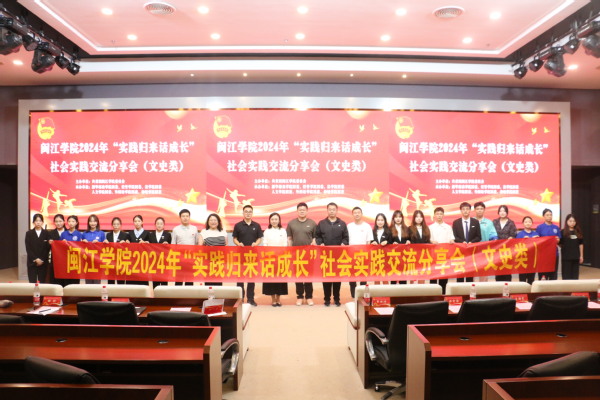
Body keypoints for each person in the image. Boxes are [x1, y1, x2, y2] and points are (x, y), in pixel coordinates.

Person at [315, 202, 349, 307]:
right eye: (330, 209)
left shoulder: (342, 223)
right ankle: (327, 299)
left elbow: (346, 237)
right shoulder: (321, 223)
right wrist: (320, 243)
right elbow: (318, 236)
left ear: (337, 210)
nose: (332, 211)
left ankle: (337, 299)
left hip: (338, 256)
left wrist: (344, 243)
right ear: (327, 210)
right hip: (325, 256)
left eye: (333, 209)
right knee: (326, 278)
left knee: (337, 279)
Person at [286, 202, 317, 306]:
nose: (302, 211)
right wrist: (289, 252)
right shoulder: (291, 223)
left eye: (304, 210)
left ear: (307, 211)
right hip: (296, 255)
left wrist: (314, 244)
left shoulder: (312, 223)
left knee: (308, 276)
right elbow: (289, 239)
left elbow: (315, 238)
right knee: (298, 276)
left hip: (308, 254)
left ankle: (309, 297)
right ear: (297, 211)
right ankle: (299, 296)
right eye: (300, 210)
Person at [232, 205, 263, 306]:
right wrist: (238, 243)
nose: (248, 213)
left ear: (252, 213)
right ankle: (240, 299)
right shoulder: (238, 225)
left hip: (252, 256)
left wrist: (256, 243)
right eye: (246, 211)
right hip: (240, 255)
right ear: (243, 213)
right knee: (240, 278)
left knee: (251, 277)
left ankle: (250, 299)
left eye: (250, 211)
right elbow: (234, 238)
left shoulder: (257, 225)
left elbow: (259, 238)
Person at [262, 212, 288, 306]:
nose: (274, 221)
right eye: (272, 219)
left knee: (280, 279)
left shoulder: (283, 231)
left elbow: (285, 244)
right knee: (271, 279)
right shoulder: (267, 231)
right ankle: (273, 299)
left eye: (276, 219)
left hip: (281, 258)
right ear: (269, 221)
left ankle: (278, 299)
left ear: (279, 220)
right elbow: (265, 244)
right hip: (270, 258)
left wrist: (281, 254)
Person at [347, 207, 374, 297]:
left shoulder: (367, 226)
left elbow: (368, 241)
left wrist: (367, 254)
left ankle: (362, 295)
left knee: (363, 276)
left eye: (358, 212)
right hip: (351, 255)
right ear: (352, 214)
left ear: (361, 214)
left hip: (363, 255)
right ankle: (353, 295)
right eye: (355, 213)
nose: (357, 214)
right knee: (352, 276)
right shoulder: (349, 226)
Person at [452, 202, 481, 282]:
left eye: (467, 209)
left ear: (470, 210)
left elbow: (479, 237)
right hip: (459, 251)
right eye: (463, 209)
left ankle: (469, 288)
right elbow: (454, 237)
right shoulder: (456, 223)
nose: (465, 211)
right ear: (461, 211)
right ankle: (460, 288)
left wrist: (471, 242)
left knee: (470, 273)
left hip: (471, 251)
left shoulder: (475, 222)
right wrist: (462, 242)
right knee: (460, 273)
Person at [171, 209, 201, 285]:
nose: (185, 218)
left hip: (191, 258)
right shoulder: (175, 229)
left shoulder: (194, 228)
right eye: (183, 216)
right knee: (178, 280)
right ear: (180, 217)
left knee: (189, 280)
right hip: (179, 258)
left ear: (189, 217)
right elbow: (173, 244)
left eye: (187, 216)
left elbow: (196, 243)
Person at [428, 207, 455, 292]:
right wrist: (431, 241)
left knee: (443, 275)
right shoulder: (430, 227)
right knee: (434, 276)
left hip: (445, 255)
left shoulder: (448, 227)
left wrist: (452, 240)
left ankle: (443, 293)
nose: (439, 216)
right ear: (434, 215)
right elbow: (428, 239)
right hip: (433, 255)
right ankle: (433, 294)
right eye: (437, 214)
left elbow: (452, 238)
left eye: (441, 214)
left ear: (443, 215)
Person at [200, 213, 227, 286]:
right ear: (208, 222)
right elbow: (200, 247)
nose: (213, 222)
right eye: (211, 220)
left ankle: (218, 293)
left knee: (219, 281)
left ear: (218, 222)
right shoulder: (204, 232)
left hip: (220, 261)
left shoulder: (223, 231)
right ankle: (209, 293)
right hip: (208, 261)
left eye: (215, 220)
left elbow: (226, 245)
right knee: (209, 282)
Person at [493, 205, 517, 282]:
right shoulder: (495, 222)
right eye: (500, 211)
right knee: (498, 269)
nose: (502, 213)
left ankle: (508, 286)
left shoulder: (511, 223)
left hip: (507, 250)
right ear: (498, 212)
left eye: (504, 211)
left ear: (507, 212)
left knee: (507, 269)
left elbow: (514, 234)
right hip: (497, 249)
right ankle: (498, 286)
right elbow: (492, 233)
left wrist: (511, 238)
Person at [535, 208, 561, 280]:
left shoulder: (556, 227)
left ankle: (553, 286)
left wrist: (558, 240)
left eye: (550, 215)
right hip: (543, 254)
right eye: (547, 215)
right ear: (543, 216)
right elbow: (537, 240)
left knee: (553, 273)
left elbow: (559, 240)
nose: (549, 216)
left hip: (554, 253)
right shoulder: (540, 227)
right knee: (543, 273)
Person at [24, 213, 50, 283]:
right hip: (32, 262)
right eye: (36, 221)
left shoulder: (46, 233)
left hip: (43, 262)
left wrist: (41, 260)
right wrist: (35, 259)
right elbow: (28, 248)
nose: (38, 222)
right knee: (32, 282)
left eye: (40, 221)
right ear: (33, 222)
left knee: (42, 282)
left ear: (42, 222)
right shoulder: (29, 233)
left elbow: (47, 248)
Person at [559, 214, 584, 280]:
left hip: (576, 257)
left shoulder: (578, 232)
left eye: (574, 221)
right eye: (570, 221)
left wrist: (581, 256)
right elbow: (559, 243)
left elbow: (581, 244)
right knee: (566, 276)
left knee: (575, 276)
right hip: (566, 258)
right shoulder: (562, 232)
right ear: (567, 221)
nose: (572, 223)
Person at [389, 210, 410, 284]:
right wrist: (392, 243)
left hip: (404, 256)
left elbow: (410, 239)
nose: (398, 219)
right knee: (393, 278)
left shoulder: (407, 229)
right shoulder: (389, 229)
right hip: (393, 257)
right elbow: (387, 241)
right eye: (396, 217)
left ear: (402, 218)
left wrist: (408, 241)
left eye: (399, 217)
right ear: (393, 218)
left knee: (403, 278)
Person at [516, 216, 539, 284]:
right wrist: (523, 240)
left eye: (529, 222)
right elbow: (516, 246)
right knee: (522, 279)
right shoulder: (520, 234)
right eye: (526, 222)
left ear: (532, 223)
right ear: (523, 223)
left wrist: (537, 239)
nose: (528, 223)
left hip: (532, 259)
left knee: (531, 279)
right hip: (522, 259)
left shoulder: (536, 234)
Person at [47, 214, 66, 284]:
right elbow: (47, 247)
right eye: (56, 221)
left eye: (60, 221)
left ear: (64, 221)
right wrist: (49, 243)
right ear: (54, 222)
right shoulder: (51, 233)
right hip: (55, 259)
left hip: (66, 259)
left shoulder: (68, 232)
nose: (58, 223)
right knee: (55, 279)